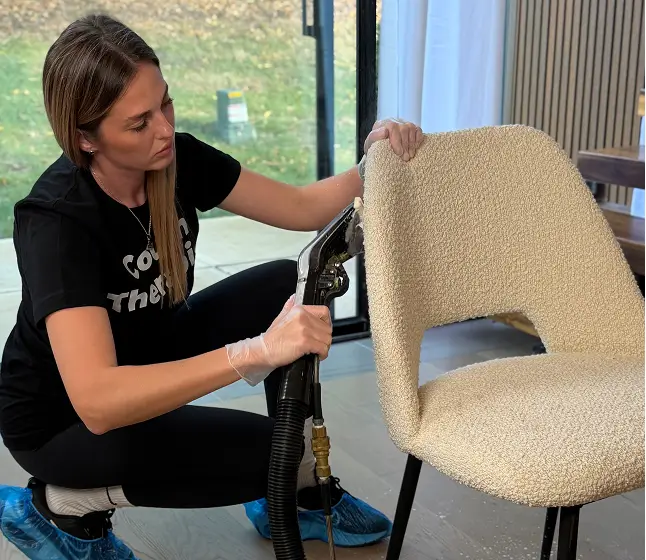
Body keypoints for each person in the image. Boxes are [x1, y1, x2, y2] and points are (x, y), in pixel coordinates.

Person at [0, 13, 424, 559]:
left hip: (146, 352)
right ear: (85, 138)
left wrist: (379, 158)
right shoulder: (57, 222)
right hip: (64, 421)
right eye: (138, 123)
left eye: (166, 104)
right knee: (269, 458)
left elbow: (301, 207)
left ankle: (297, 495)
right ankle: (60, 505)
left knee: (282, 285)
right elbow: (99, 401)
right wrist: (254, 353)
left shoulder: (174, 158)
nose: (163, 129)